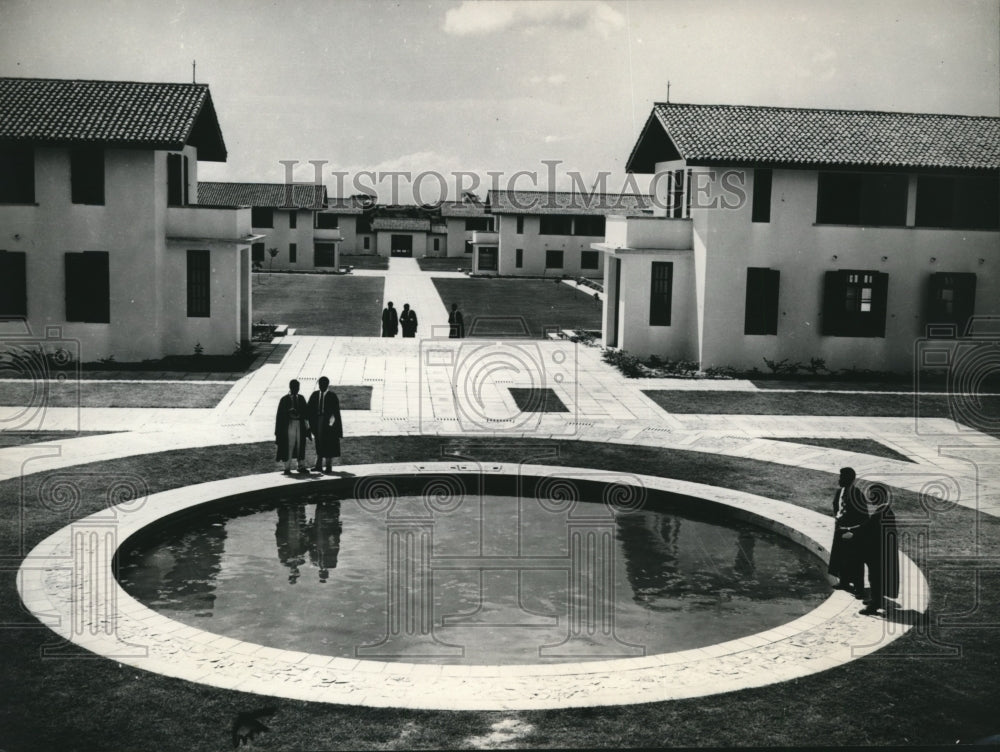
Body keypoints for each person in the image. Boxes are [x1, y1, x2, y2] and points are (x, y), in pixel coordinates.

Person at [859, 483, 899, 616]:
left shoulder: (880, 514)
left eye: (872, 495)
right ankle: (877, 600)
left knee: (875, 578)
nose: (870, 498)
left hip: (877, 553)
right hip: (882, 552)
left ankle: (874, 605)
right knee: (877, 578)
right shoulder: (885, 511)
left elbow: (871, 533)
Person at [828, 466, 867, 598]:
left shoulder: (857, 495)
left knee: (855, 561)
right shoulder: (840, 492)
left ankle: (859, 588)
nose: (839, 479)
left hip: (852, 533)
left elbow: (864, 518)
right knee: (841, 557)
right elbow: (836, 507)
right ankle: (844, 582)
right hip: (840, 530)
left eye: (842, 477)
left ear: (848, 479)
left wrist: (853, 532)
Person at [307, 376, 343, 472]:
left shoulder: (332, 396)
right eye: (320, 384)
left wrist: (333, 425)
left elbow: (336, 413)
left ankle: (328, 466)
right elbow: (309, 409)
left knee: (328, 443)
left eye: (323, 385)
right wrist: (309, 425)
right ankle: (318, 465)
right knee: (318, 442)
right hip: (317, 421)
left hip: (328, 423)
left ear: (327, 385)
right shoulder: (315, 395)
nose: (321, 386)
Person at [275, 379, 310, 474]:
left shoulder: (301, 398)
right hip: (289, 425)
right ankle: (287, 467)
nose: (296, 389)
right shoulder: (284, 399)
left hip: (300, 424)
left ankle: (301, 466)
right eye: (295, 387)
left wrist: (307, 428)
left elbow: (306, 413)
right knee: (289, 445)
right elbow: (280, 415)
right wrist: (288, 412)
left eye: (298, 388)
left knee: (300, 445)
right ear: (290, 387)